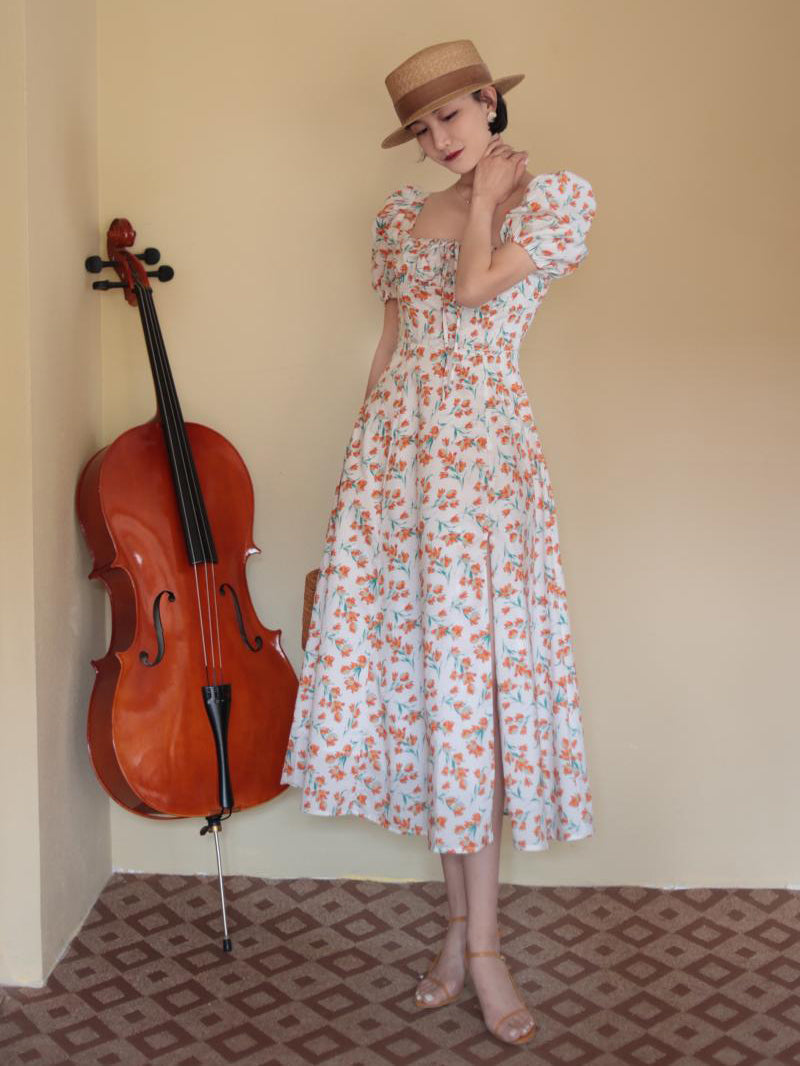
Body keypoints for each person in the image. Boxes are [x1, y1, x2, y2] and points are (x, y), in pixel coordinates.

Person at [280, 38, 596, 1047]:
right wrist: (354, 480)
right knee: (431, 697)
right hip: (395, 464)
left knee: (478, 699)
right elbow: (392, 339)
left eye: (451, 117)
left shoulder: (556, 200)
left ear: (487, 105)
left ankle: (483, 945)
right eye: (420, 129)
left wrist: (490, 207)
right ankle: (458, 933)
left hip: (481, 461)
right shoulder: (391, 216)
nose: (437, 140)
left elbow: (471, 297)